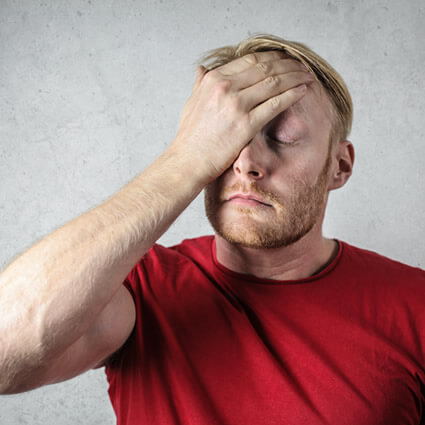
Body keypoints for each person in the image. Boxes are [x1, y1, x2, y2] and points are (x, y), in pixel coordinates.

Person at [0, 33, 424, 424]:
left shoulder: (414, 305)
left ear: (340, 165)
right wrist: (184, 161)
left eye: (283, 135)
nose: (246, 163)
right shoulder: (139, 289)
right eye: (225, 139)